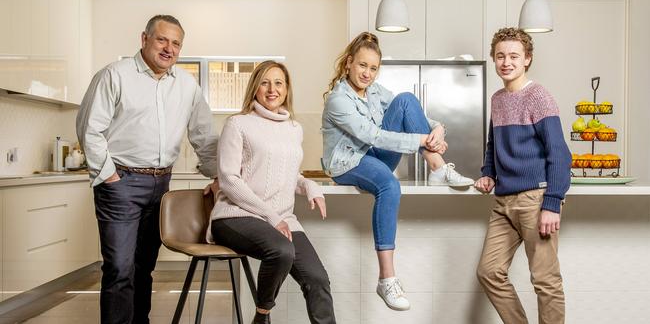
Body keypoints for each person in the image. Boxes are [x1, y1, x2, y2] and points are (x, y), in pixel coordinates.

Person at [76, 14, 219, 324]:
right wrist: (110, 177)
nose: (169, 48)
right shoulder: (115, 75)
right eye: (162, 39)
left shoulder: (186, 85)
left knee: (143, 266)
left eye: (176, 43)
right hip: (121, 182)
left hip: (160, 186)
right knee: (119, 268)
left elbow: (204, 137)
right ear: (144, 39)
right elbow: (90, 129)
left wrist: (219, 176)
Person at [321, 32, 473, 311]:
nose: (367, 73)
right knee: (390, 185)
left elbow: (414, 115)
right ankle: (386, 279)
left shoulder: (377, 92)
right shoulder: (337, 100)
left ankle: (436, 167)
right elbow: (372, 136)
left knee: (405, 99)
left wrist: (438, 128)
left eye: (373, 68)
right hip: (348, 163)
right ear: (348, 64)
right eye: (362, 65)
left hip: (376, 157)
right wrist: (423, 140)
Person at [208, 61, 336, 324]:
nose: (271, 89)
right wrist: (270, 216)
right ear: (255, 87)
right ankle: (262, 314)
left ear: (287, 89)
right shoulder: (238, 124)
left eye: (278, 83)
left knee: (317, 279)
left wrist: (311, 187)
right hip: (235, 215)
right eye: (265, 82)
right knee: (282, 250)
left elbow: (291, 175)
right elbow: (229, 180)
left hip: (280, 219)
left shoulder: (294, 129)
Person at [475, 27, 571, 324]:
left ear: (527, 59)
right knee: (489, 272)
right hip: (503, 201)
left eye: (514, 56)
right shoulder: (497, 98)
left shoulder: (539, 96)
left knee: (545, 281)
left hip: (535, 199)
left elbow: (559, 154)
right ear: (493, 59)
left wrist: (552, 202)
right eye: (501, 56)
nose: (507, 62)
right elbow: (494, 143)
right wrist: (488, 173)